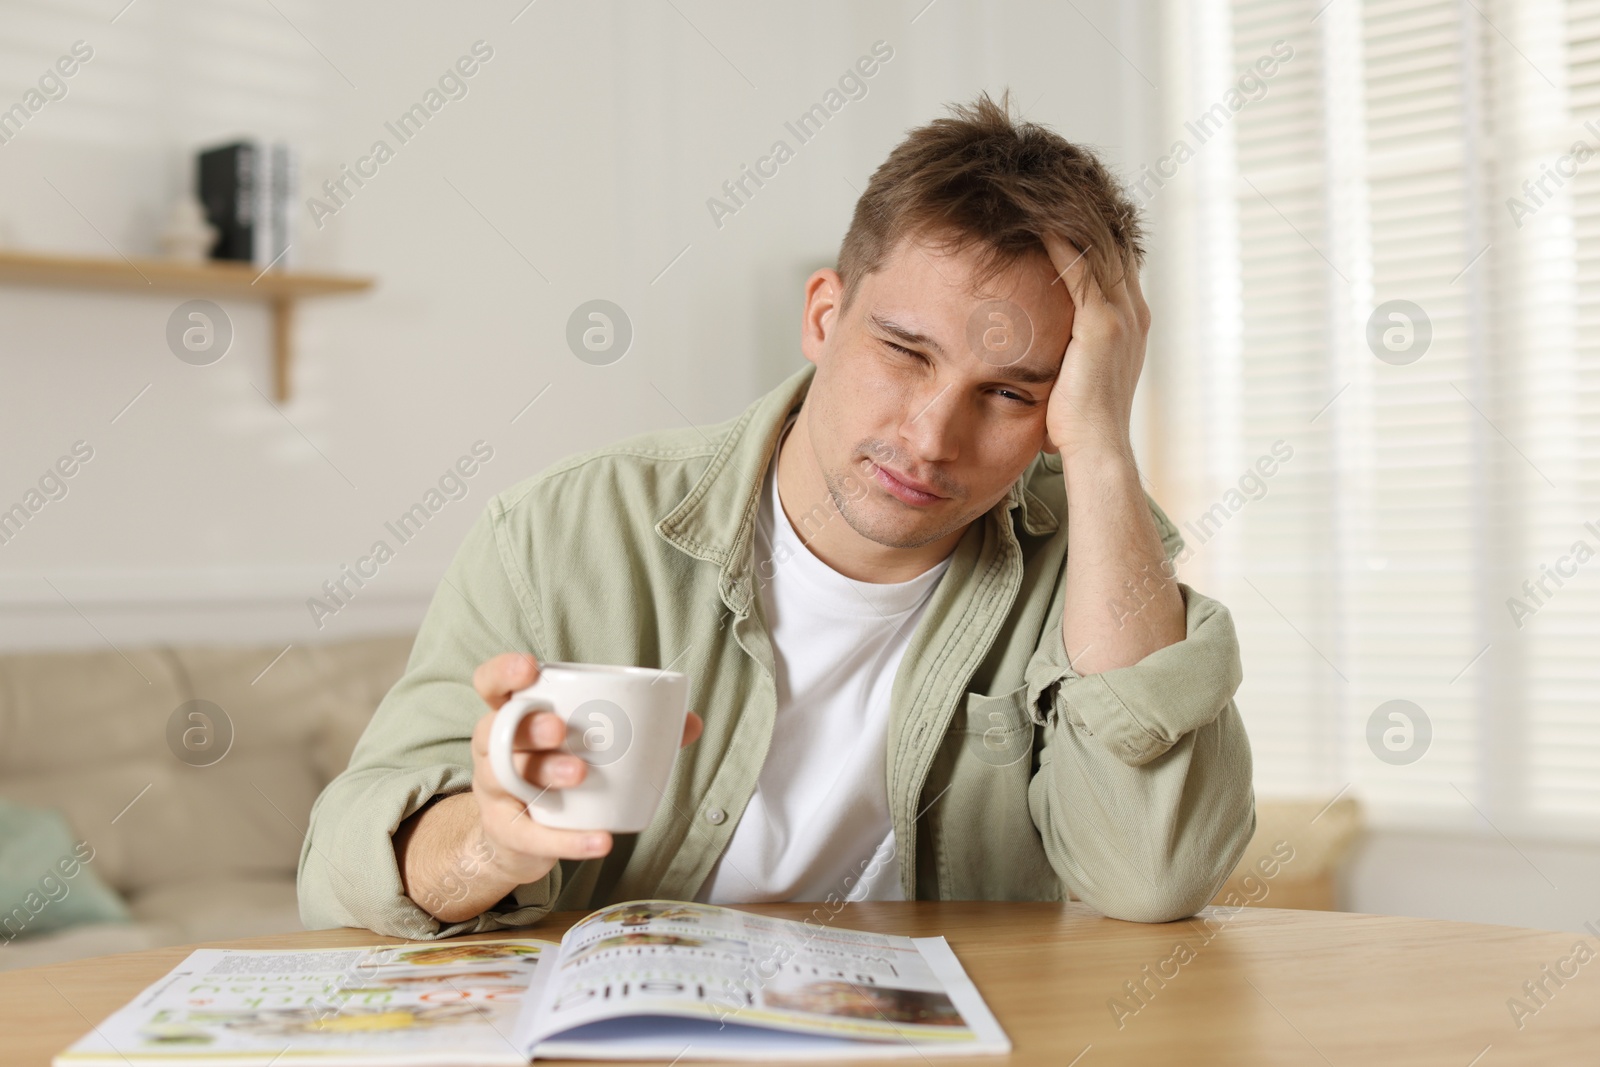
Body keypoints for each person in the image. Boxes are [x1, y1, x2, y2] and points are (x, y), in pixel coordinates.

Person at [299, 90, 1255, 940]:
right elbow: (341, 862)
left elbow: (1152, 873)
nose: (930, 437)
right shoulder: (559, 533)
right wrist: (490, 846)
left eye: (1010, 394)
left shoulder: (1086, 565)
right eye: (905, 353)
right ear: (823, 315)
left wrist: (1101, 448)